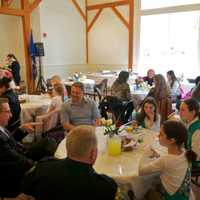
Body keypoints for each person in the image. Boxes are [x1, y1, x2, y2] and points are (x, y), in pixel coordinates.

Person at [21, 125, 118, 200]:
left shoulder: (43, 168)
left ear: (67, 148)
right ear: (93, 154)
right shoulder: (106, 187)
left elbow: (25, 186)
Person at [139, 120, 193, 200]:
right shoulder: (185, 152)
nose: (158, 135)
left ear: (172, 140)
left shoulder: (165, 160)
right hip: (185, 194)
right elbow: (171, 163)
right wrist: (158, 156)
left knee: (144, 191)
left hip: (172, 197)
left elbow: (141, 171)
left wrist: (145, 154)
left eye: (161, 134)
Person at [179, 98, 200, 166]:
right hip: (187, 154)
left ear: (193, 112)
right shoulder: (188, 122)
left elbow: (195, 156)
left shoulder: (197, 130)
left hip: (194, 163)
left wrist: (179, 153)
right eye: (180, 109)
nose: (180, 113)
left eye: (183, 110)